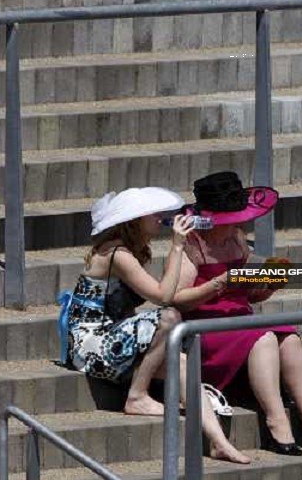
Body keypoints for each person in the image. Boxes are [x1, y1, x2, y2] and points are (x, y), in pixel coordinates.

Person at [65, 187, 250, 464]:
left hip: (113, 337)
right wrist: (177, 246)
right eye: (152, 214)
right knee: (169, 317)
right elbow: (164, 297)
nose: (161, 217)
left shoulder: (134, 251)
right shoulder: (116, 253)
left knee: (184, 363)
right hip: (91, 343)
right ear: (134, 220)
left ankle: (219, 443)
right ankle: (137, 396)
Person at [172, 172, 302, 456]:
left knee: (289, 337)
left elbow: (249, 294)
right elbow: (177, 300)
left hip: (240, 319)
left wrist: (269, 286)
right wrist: (219, 283)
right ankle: (277, 422)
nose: (238, 222)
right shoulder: (192, 245)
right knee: (263, 338)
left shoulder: (237, 239)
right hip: (206, 326)